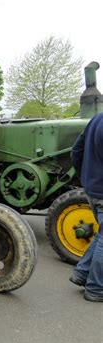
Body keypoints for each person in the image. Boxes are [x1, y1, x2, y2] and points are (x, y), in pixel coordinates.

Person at [70, 112, 103, 302]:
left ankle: (81, 273)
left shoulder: (96, 119)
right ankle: (96, 288)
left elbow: (76, 151)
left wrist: (85, 178)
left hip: (92, 189)